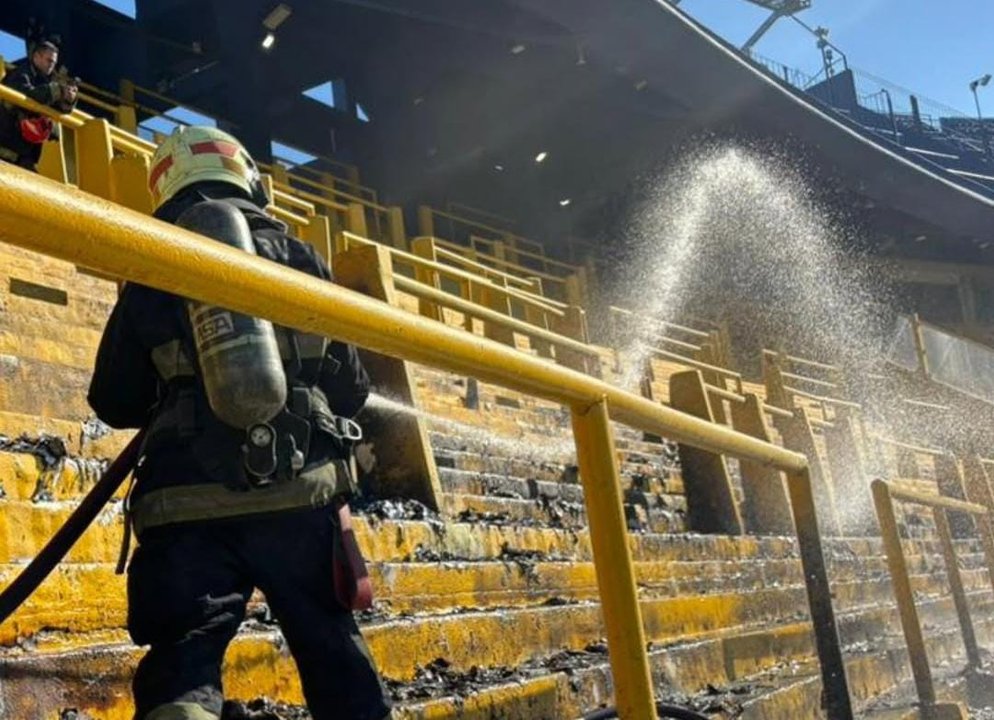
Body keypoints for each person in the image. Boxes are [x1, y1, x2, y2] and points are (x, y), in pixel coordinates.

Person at [88, 126, 393, 720]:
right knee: (333, 652)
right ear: (247, 175)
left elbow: (113, 400)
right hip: (299, 498)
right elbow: (351, 389)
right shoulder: (301, 256)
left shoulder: (151, 261)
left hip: (184, 507)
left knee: (183, 658)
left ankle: (184, 707)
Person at [0, 37, 78, 171]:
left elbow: (56, 106)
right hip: (6, 148)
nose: (51, 65)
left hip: (23, 155)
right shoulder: (20, 74)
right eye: (49, 60)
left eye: (54, 63)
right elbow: (33, 95)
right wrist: (58, 90)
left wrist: (68, 99)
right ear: (36, 56)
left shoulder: (44, 81)